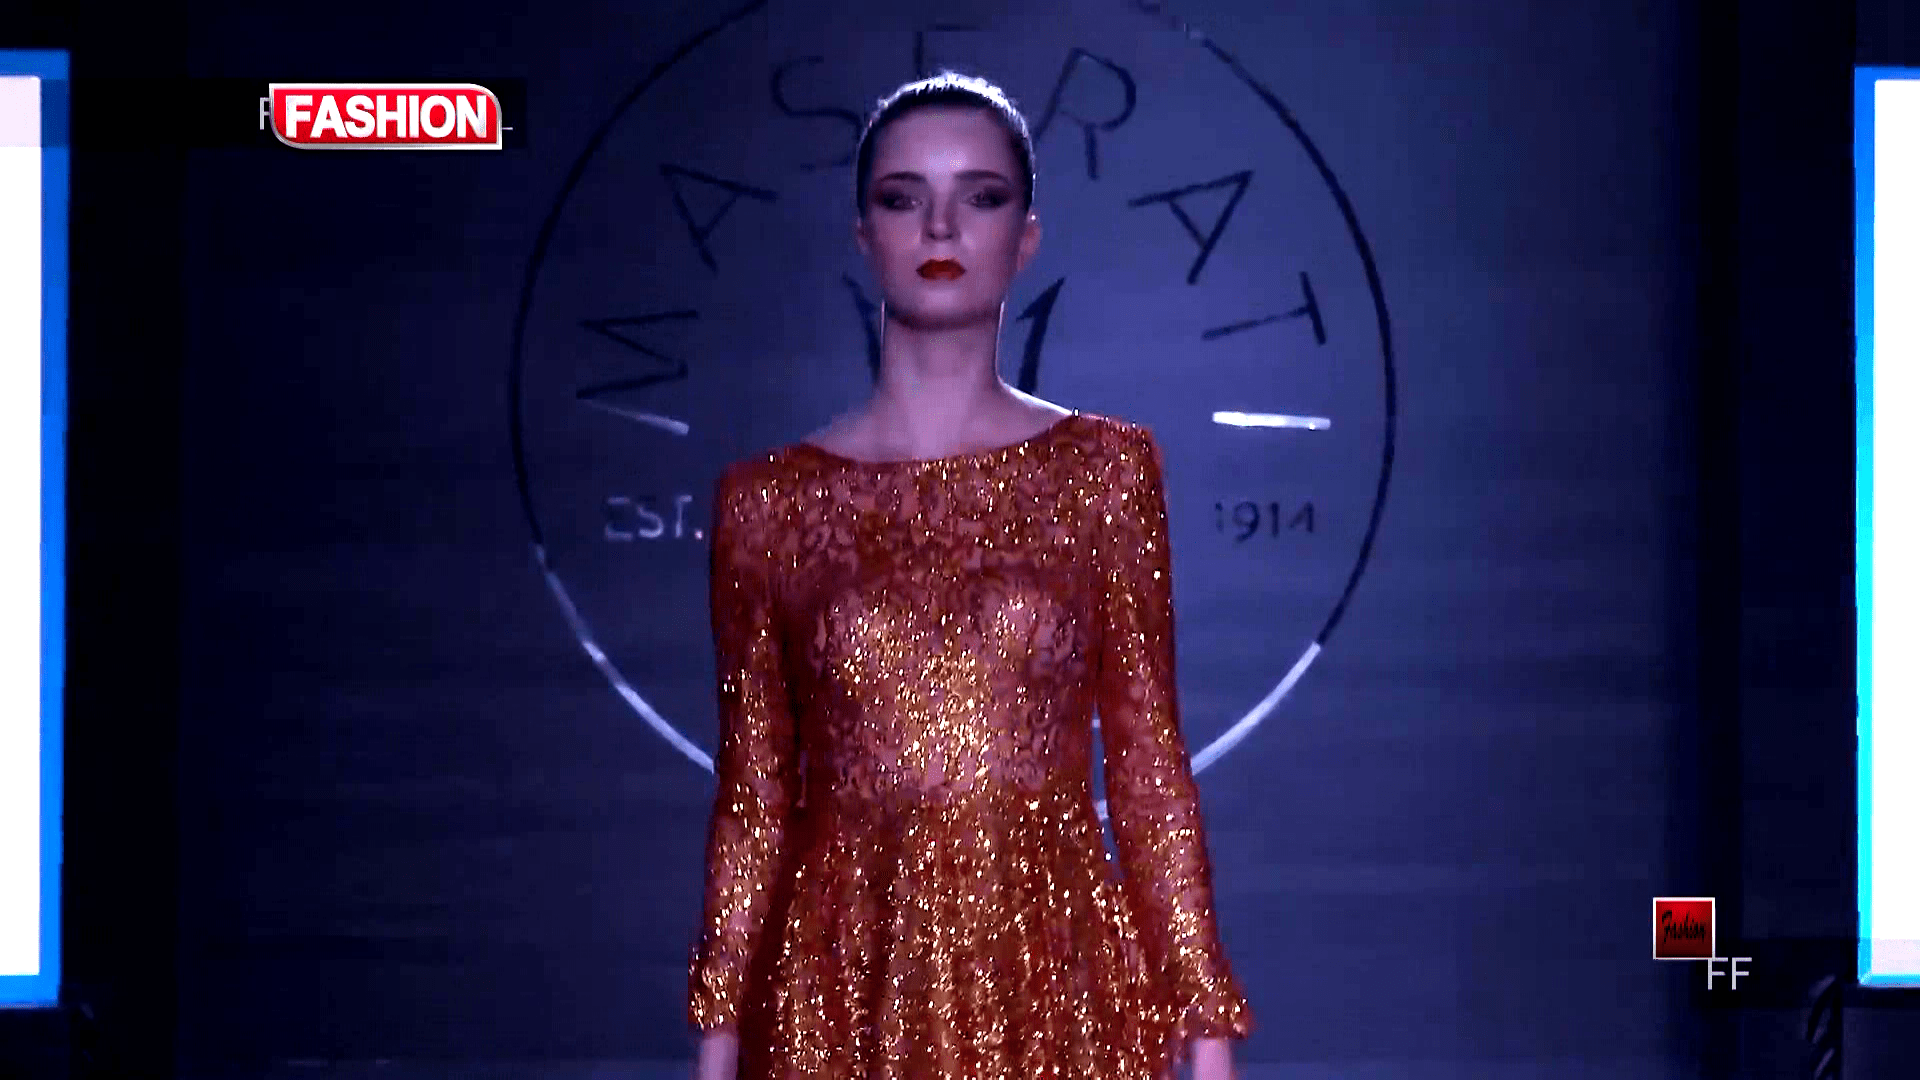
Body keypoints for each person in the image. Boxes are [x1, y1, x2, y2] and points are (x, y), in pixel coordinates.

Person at [687, 72, 1252, 1080]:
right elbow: (755, 799)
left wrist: (1204, 1024)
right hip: (836, 989)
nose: (941, 226)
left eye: (980, 197)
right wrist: (719, 1036)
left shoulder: (1103, 474)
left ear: (1025, 237)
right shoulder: (768, 504)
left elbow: (1148, 767)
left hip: (1058, 981)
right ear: (863, 234)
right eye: (904, 197)